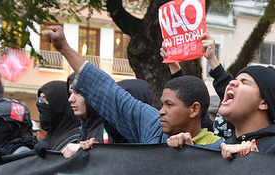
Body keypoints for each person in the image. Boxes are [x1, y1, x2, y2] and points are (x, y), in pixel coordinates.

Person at [43, 26, 223, 150]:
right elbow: (110, 94)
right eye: (162, 104)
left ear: (194, 109)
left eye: (169, 105)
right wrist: (64, 47)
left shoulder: (217, 149)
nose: (160, 111)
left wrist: (192, 155)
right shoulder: (153, 127)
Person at [202, 33, 275, 153]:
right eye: (235, 79)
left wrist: (256, 161)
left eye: (244, 82)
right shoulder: (222, 146)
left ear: (263, 102)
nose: (232, 83)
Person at [36, 81, 81, 151]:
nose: (40, 103)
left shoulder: (76, 140)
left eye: (45, 98)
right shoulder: (48, 139)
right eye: (39, 98)